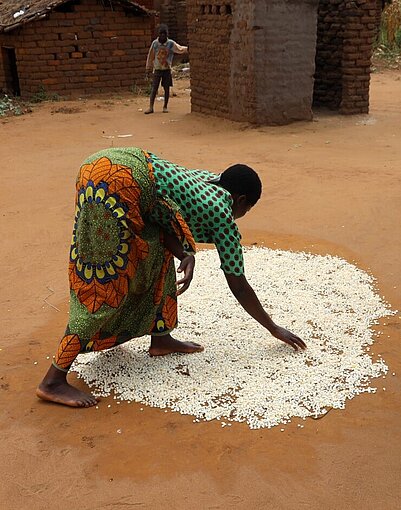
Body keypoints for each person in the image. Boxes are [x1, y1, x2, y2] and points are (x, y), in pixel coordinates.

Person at [36, 147, 306, 408]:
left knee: (155, 254)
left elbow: (161, 220)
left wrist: (184, 254)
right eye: (246, 210)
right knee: (103, 283)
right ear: (241, 200)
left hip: (105, 164)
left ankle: (161, 336)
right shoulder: (224, 214)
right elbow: (238, 285)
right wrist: (273, 328)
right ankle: (53, 380)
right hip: (117, 182)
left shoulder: (207, 180)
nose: (241, 216)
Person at [145, 24, 187, 114]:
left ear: (167, 35)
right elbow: (151, 56)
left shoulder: (170, 44)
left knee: (166, 88)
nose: (163, 36)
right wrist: (148, 68)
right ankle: (151, 107)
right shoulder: (155, 44)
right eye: (161, 34)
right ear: (158, 34)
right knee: (154, 88)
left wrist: (188, 49)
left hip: (167, 70)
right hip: (157, 69)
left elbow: (179, 49)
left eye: (165, 34)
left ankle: (165, 106)